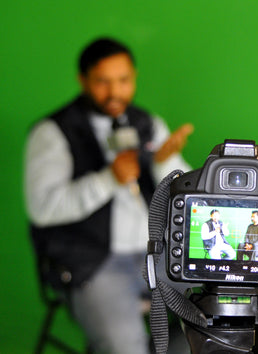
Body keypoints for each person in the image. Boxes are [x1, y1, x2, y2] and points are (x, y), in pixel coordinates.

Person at [24, 37, 193, 354]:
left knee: (216, 318)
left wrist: (165, 164)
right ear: (83, 80)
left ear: (134, 77)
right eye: (103, 81)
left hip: (157, 256)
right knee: (124, 347)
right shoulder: (52, 133)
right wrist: (107, 180)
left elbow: (183, 197)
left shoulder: (148, 124)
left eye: (123, 80)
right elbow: (42, 208)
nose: (115, 92)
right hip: (93, 263)